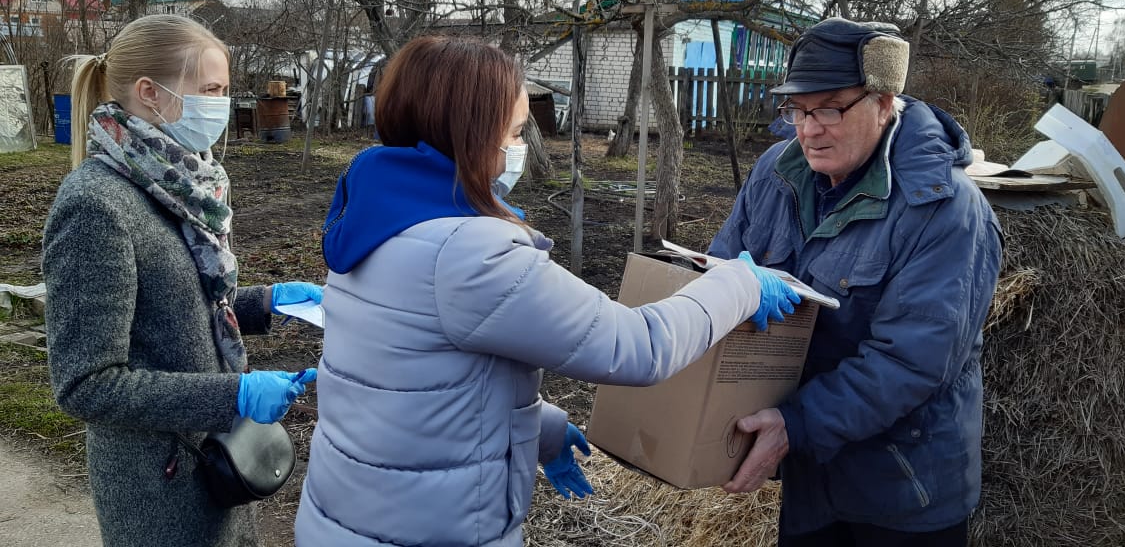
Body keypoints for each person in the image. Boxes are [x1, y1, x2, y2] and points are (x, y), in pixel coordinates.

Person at [293, 35, 801, 546]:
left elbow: (404, 381)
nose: (518, 149)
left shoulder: (378, 220)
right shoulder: (469, 253)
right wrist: (738, 283)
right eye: (514, 133)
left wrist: (538, 426)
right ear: (472, 134)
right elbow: (638, 347)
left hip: (347, 518)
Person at [709, 18, 1003, 546]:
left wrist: (794, 425)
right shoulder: (777, 173)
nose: (808, 129)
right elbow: (722, 267)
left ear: (884, 103)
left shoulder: (946, 209)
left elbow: (911, 361)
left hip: (903, 487)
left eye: (828, 108)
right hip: (812, 481)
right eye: (796, 109)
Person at [42, 14, 324, 547]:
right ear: (150, 92)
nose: (222, 103)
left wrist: (266, 303)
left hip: (218, 467)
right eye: (212, 90)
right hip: (161, 493)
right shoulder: (95, 205)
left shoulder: (181, 182)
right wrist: (233, 394)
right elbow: (86, 384)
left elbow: (172, 303)